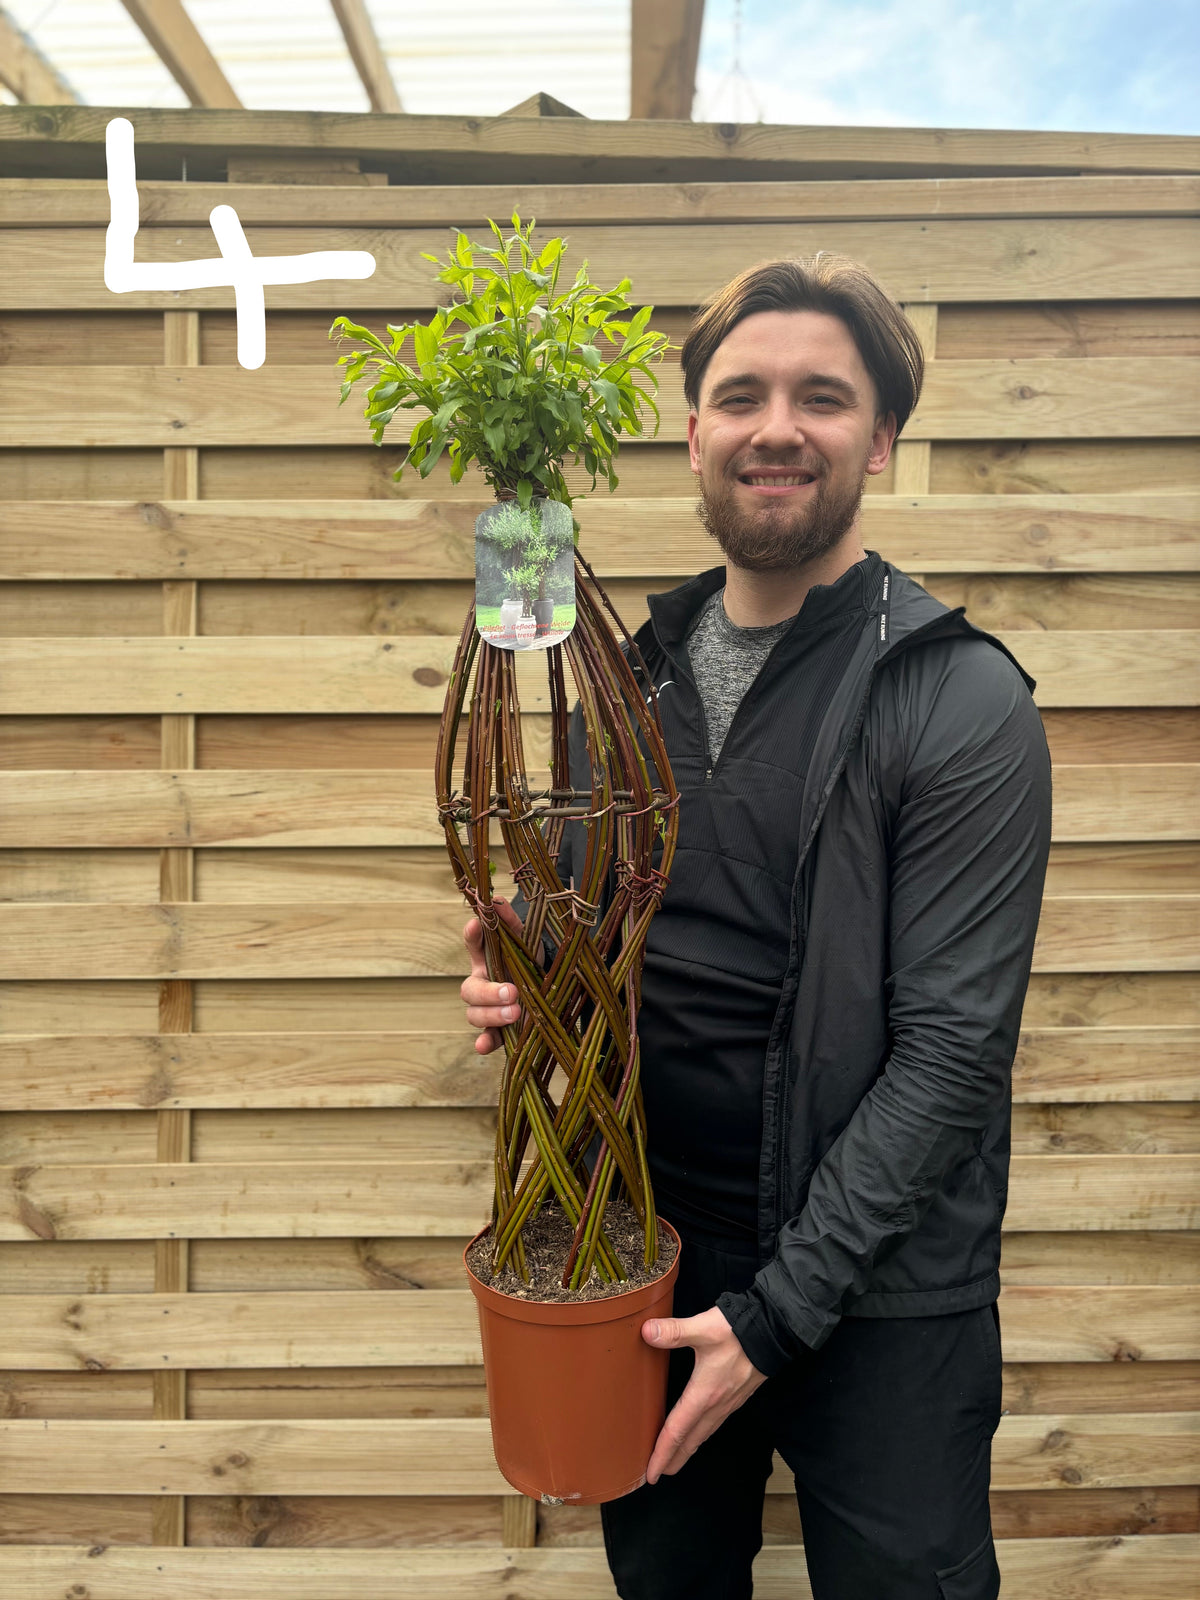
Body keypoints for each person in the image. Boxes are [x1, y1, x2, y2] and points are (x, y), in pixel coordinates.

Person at [459, 255, 1052, 1600]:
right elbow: (589, 930)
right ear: (693, 432)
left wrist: (776, 1315)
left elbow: (955, 1051)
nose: (776, 425)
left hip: (887, 1292)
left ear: (880, 440)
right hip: (650, 1260)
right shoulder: (627, 679)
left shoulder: (957, 697)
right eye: (741, 396)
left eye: (822, 397)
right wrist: (524, 973)